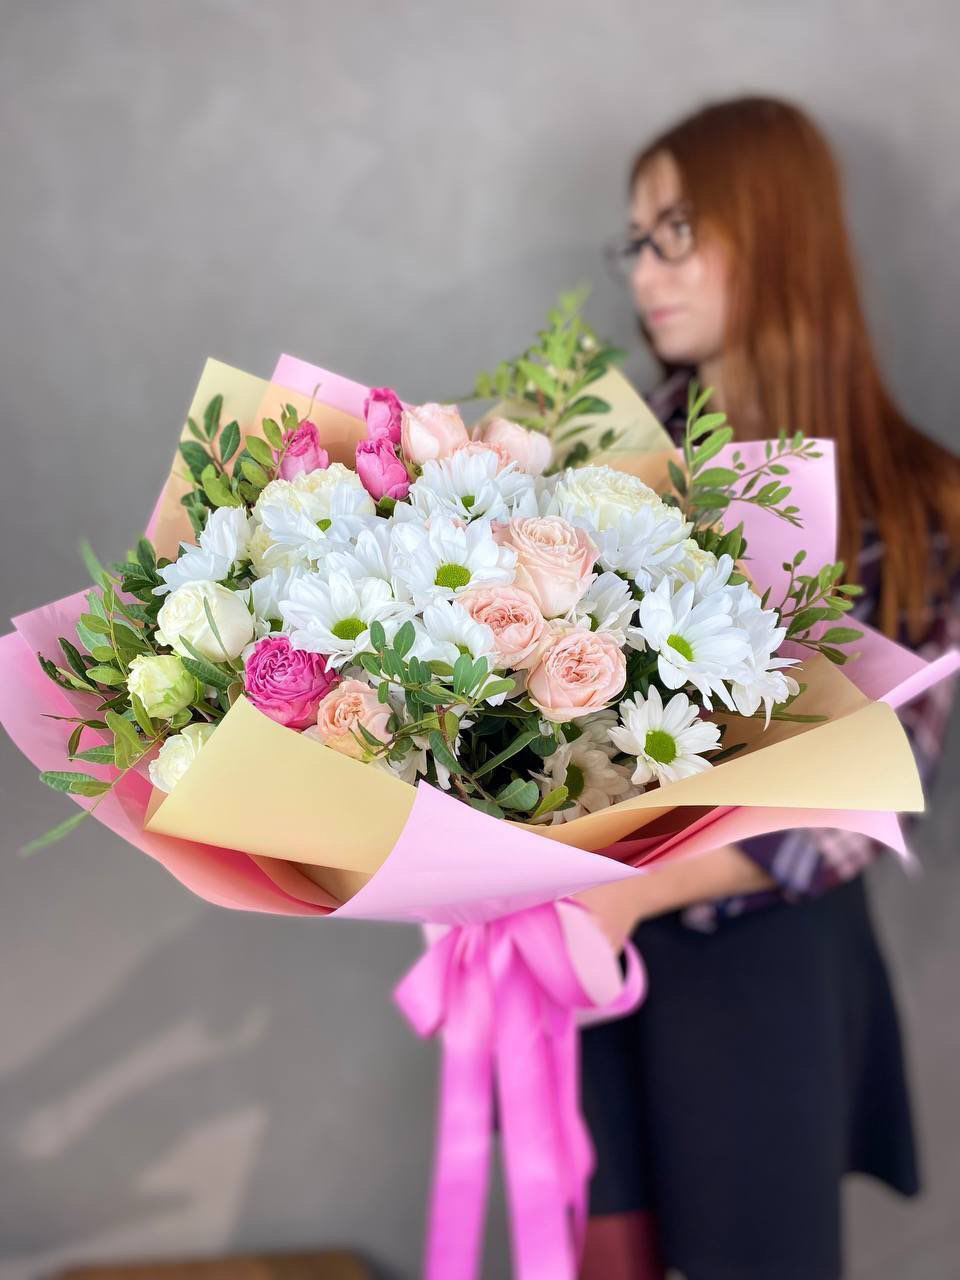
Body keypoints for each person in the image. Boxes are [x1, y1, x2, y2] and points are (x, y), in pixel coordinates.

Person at [576, 96, 960, 1280]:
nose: (648, 272)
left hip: (759, 966)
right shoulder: (598, 461)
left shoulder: (916, 500)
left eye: (677, 233)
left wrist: (633, 891)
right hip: (585, 942)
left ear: (779, 233)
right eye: (636, 241)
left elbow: (876, 787)